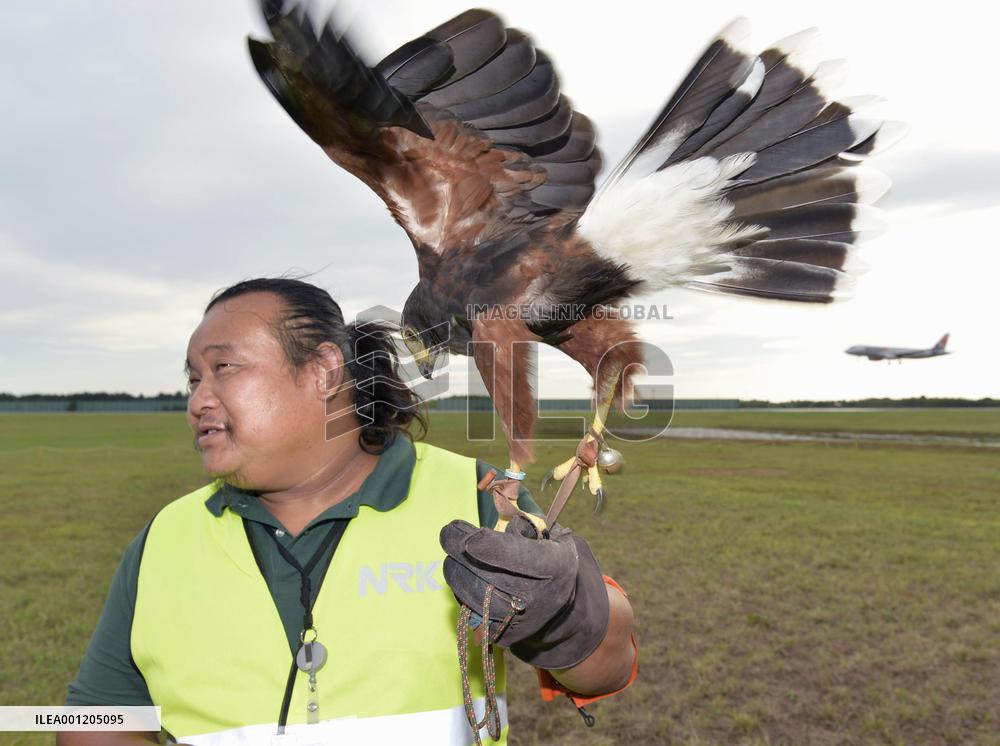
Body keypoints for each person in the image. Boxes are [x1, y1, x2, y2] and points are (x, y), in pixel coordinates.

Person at [58, 278, 637, 746]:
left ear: (324, 371)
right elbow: (94, 718)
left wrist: (568, 616)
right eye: (192, 378)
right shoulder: (164, 538)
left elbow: (608, 665)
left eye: (223, 369)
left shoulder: (478, 495)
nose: (197, 400)